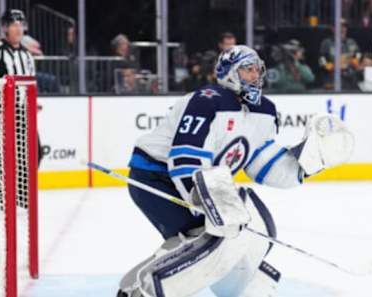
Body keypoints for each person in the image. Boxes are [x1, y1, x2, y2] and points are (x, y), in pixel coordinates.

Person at [117, 45, 353, 297]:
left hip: (204, 185)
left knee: (227, 241)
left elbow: (261, 163)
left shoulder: (265, 111)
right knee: (212, 240)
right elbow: (185, 158)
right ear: (229, 73)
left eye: (257, 70)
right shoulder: (207, 100)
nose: (254, 75)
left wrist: (306, 166)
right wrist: (202, 201)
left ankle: (135, 289)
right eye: (247, 70)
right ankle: (144, 291)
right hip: (156, 176)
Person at [0, 9, 42, 210]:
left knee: (35, 151)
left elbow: (30, 83)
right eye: (13, 24)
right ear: (5, 28)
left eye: (20, 24)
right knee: (11, 155)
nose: (18, 28)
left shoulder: (26, 55)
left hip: (24, 111)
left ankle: (18, 195)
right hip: (6, 112)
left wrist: (34, 103)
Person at [319, 19, 361, 90]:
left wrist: (355, 62)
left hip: (350, 78)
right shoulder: (327, 43)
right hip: (333, 78)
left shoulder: (352, 42)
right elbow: (322, 60)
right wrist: (332, 67)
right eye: (339, 26)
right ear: (333, 29)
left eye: (344, 27)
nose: (342, 29)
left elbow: (358, 54)